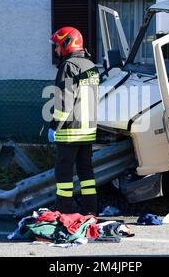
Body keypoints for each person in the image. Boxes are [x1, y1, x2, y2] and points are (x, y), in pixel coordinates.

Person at [49, 26, 100, 215]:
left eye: (57, 46)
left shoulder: (69, 66)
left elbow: (64, 102)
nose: (56, 50)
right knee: (86, 174)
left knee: (63, 174)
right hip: (87, 132)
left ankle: (64, 212)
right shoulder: (91, 66)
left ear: (67, 44)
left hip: (70, 132)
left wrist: (54, 127)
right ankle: (90, 212)